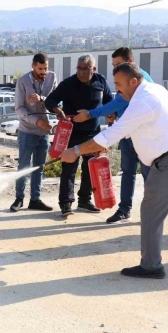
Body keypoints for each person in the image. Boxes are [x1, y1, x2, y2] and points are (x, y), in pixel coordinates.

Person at [60, 63, 168, 279]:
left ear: (133, 81)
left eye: (119, 84)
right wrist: (103, 142)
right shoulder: (154, 90)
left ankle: (151, 265)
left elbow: (113, 132)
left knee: (151, 211)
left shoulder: (142, 101)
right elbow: (134, 128)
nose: (117, 90)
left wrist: (76, 150)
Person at [73, 47, 154, 224]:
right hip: (127, 136)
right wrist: (115, 115)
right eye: (113, 65)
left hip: (141, 136)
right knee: (128, 172)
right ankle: (125, 209)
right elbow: (122, 104)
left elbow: (120, 101)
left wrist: (91, 113)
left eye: (119, 64)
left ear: (131, 62)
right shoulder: (126, 79)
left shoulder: (140, 80)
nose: (115, 69)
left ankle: (153, 212)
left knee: (148, 175)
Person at [44, 54, 113, 216]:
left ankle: (84, 200)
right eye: (79, 68)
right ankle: (66, 203)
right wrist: (57, 110)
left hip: (93, 134)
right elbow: (50, 101)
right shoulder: (68, 83)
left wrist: (112, 115)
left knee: (90, 168)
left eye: (85, 69)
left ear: (93, 69)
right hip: (72, 134)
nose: (81, 72)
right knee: (69, 168)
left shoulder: (100, 81)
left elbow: (109, 100)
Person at [10, 53, 57, 212]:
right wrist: (36, 121)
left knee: (39, 167)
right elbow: (19, 109)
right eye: (40, 68)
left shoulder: (52, 77)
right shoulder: (23, 81)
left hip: (43, 132)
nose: (44, 71)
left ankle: (35, 200)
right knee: (23, 166)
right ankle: (19, 199)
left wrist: (42, 98)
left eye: (46, 68)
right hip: (27, 131)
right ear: (33, 66)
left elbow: (55, 100)